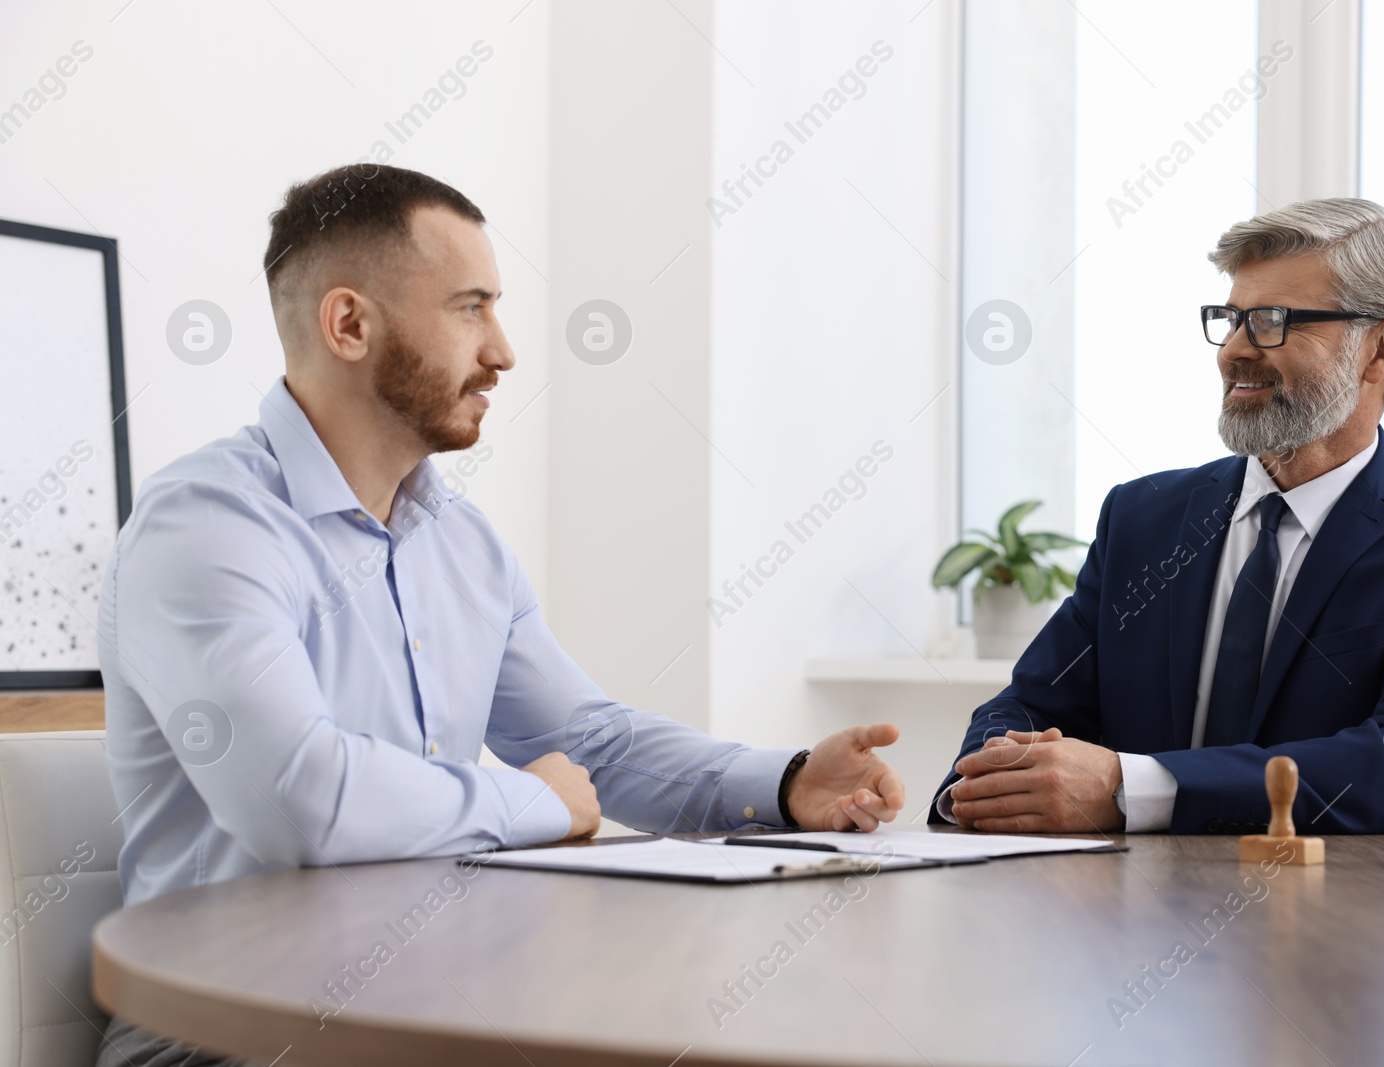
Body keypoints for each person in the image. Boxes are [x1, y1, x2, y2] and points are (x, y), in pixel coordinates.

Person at [95, 164, 905, 1067]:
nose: (505, 350)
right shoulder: (205, 527)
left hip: (437, 1007)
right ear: (350, 323)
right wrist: (533, 800)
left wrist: (786, 783)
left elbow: (592, 747)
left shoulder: (462, 541)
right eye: (470, 307)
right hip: (237, 1037)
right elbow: (296, 797)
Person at [932, 198, 1384, 837]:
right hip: (1118, 914)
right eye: (1231, 319)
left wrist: (1130, 788)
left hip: (1335, 919)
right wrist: (986, 786)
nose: (1235, 351)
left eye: (1274, 321)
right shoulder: (1140, 518)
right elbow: (1031, 703)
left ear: (1383, 348)